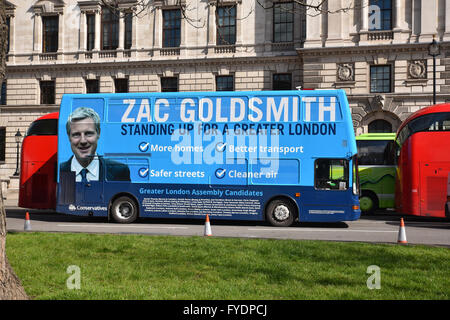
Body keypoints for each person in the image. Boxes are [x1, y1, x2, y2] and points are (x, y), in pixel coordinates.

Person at [60, 107, 130, 182]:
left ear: (98, 133)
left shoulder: (120, 171)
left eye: (88, 133)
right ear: (69, 137)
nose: (83, 141)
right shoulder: (58, 171)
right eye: (76, 134)